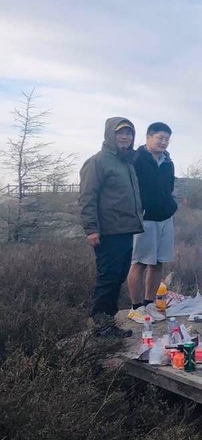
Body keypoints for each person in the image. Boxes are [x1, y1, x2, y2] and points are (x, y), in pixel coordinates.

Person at [79, 117, 143, 337]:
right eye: (120, 133)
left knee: (117, 277)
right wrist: (91, 229)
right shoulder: (98, 162)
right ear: (110, 135)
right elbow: (87, 197)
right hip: (108, 231)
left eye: (129, 133)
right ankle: (101, 326)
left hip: (125, 230)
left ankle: (108, 323)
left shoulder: (126, 162)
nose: (125, 137)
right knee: (107, 278)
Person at [126, 122, 177, 310]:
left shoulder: (168, 162)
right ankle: (136, 306)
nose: (163, 142)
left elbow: (169, 188)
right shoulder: (136, 159)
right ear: (148, 137)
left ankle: (149, 304)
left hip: (165, 218)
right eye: (160, 138)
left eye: (167, 139)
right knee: (139, 263)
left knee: (158, 263)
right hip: (144, 219)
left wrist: (170, 205)